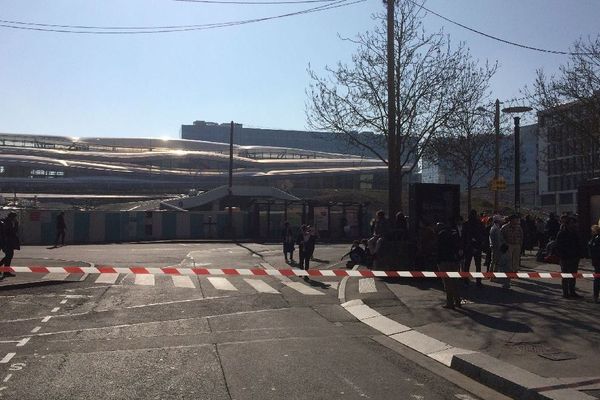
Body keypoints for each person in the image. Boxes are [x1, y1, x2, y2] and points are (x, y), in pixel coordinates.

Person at [437, 220, 463, 309]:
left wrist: (438, 261)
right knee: (454, 281)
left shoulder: (441, 235)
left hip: (444, 261)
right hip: (454, 261)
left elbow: (438, 249)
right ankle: (458, 301)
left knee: (447, 283)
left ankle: (450, 302)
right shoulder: (455, 234)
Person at [556, 216, 581, 299]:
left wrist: (579, 254)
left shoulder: (575, 232)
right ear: (567, 224)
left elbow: (579, 244)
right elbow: (558, 246)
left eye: (574, 223)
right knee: (566, 275)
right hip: (565, 257)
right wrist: (562, 255)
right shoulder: (562, 233)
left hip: (574, 257)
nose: (573, 224)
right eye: (571, 223)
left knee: (573, 275)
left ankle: (572, 291)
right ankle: (565, 293)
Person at [463, 210, 485, 286]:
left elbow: (464, 237)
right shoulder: (479, 223)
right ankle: (478, 281)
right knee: (478, 265)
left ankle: (465, 280)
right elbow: (483, 235)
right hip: (477, 246)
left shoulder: (466, 224)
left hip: (468, 247)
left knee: (467, 265)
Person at [0, 212, 20, 280]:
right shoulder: (8, 223)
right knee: (9, 256)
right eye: (14, 217)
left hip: (7, 242)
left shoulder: (6, 222)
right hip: (7, 242)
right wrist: (16, 224)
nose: (15, 219)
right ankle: (5, 271)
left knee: (8, 256)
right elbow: (12, 232)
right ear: (12, 217)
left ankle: (6, 271)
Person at [588, 225, 600, 303]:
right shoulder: (595, 238)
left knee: (597, 279)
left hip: (597, 261)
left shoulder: (595, 239)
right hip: (597, 261)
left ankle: (595, 296)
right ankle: (595, 296)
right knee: (597, 279)